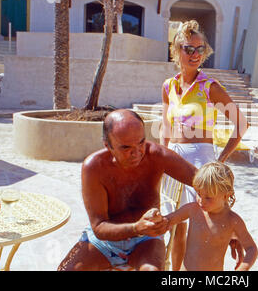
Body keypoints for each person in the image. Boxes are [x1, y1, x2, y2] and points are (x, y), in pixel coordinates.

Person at [57, 109, 199, 271]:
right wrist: (135, 227)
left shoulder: (156, 155)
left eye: (141, 142)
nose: (137, 152)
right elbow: (99, 227)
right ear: (108, 146)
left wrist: (230, 226)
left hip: (146, 239)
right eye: (126, 148)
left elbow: (206, 180)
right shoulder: (94, 167)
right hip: (104, 242)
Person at [161, 20, 249, 270]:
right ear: (177, 50)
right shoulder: (169, 86)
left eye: (200, 50)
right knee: (176, 225)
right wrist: (161, 158)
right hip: (173, 158)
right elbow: (165, 128)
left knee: (206, 225)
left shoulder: (210, 88)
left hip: (201, 158)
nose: (195, 55)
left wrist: (219, 162)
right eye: (189, 48)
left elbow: (241, 124)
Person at [158, 162, 258, 271]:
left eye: (208, 198)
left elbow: (251, 248)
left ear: (226, 195)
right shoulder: (192, 209)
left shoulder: (232, 221)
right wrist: (159, 220)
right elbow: (168, 219)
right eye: (199, 194)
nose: (201, 201)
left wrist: (243, 268)